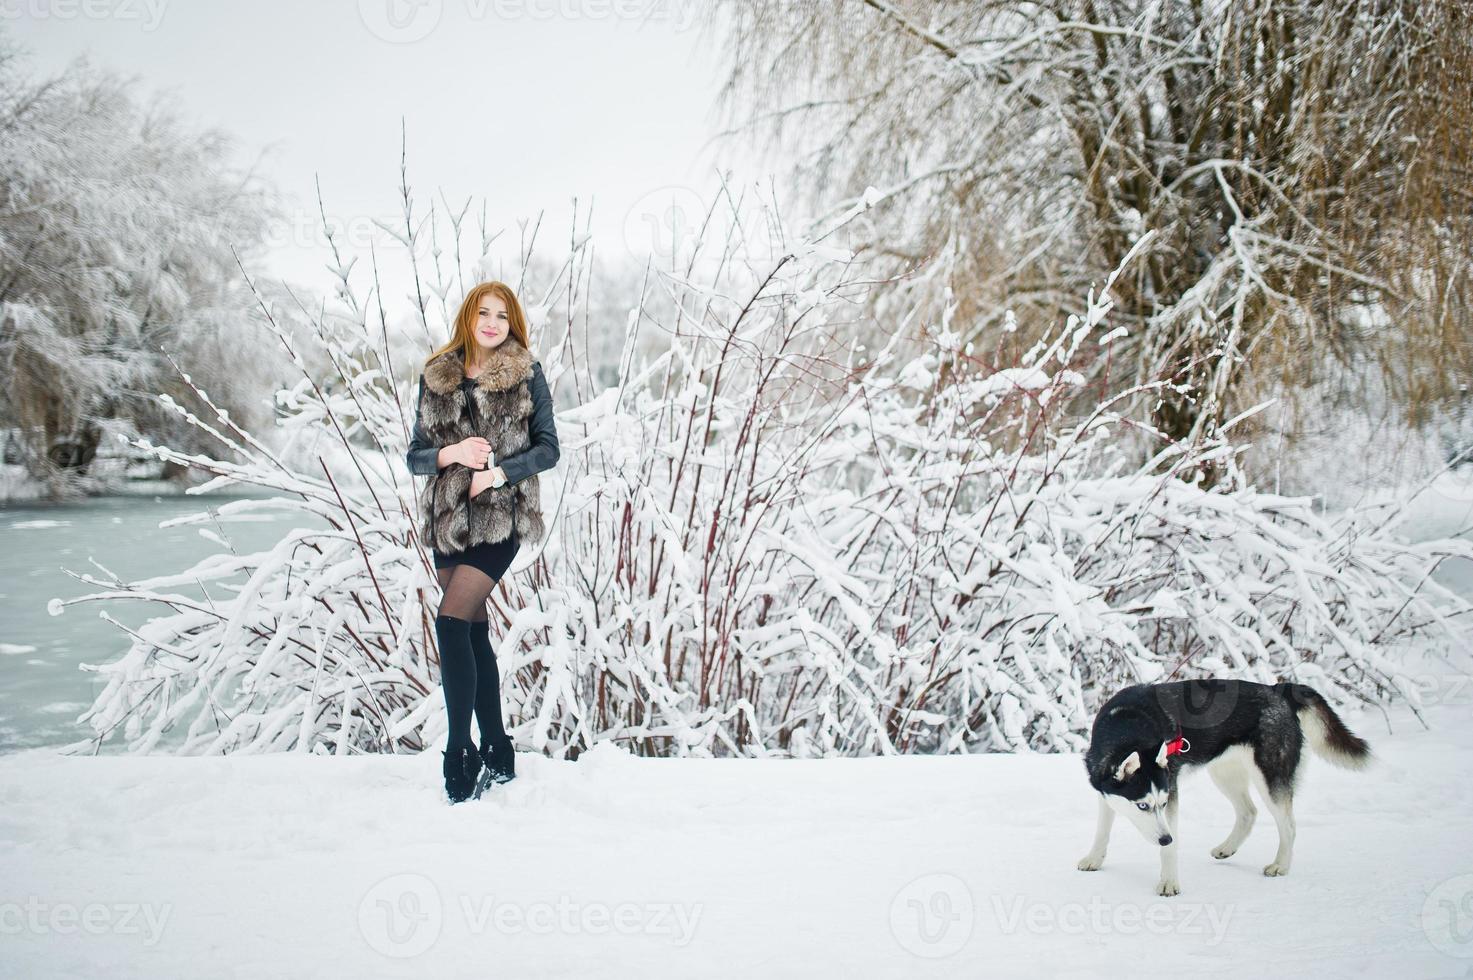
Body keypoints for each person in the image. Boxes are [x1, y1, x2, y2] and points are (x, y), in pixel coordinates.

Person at [405, 281, 559, 803]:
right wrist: (452, 455)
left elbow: (548, 449)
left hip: (501, 517)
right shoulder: (437, 375)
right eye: (483, 313)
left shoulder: (526, 374)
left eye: (502, 315)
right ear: (468, 317)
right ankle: (497, 747)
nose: (492, 322)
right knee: (469, 632)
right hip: (448, 519)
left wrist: (495, 475)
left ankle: (459, 750)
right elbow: (415, 456)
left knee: (450, 620)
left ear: (512, 322)